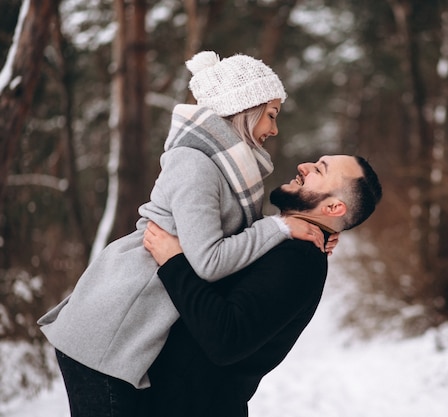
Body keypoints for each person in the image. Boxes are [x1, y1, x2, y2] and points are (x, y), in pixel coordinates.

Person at [37, 50, 331, 416]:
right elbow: (209, 261)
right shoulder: (194, 163)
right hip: (107, 332)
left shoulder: (228, 169)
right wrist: (280, 226)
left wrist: (292, 232)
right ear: (245, 109)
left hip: (135, 330)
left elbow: (232, 237)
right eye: (271, 115)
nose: (274, 129)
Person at [139, 154, 382, 416]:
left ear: (334, 208)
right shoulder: (286, 245)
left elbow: (226, 339)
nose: (303, 166)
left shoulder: (299, 260)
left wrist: (174, 263)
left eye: (319, 170)